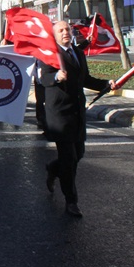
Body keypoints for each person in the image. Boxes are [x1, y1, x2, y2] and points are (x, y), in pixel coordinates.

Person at [39, 20, 115, 218]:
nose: (65, 32)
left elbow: (86, 79)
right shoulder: (49, 54)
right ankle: (71, 201)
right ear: (54, 35)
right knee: (68, 158)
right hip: (59, 114)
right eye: (61, 30)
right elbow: (43, 79)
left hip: (77, 113)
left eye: (67, 29)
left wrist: (106, 84)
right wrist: (56, 77)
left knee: (78, 153)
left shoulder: (78, 53)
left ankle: (53, 168)